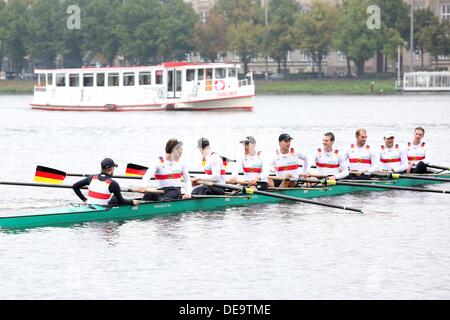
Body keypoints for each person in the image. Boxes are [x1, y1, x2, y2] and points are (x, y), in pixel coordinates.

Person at [72, 158, 139, 206]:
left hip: (89, 205)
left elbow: (75, 186)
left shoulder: (91, 177)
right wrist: (132, 202)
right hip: (102, 209)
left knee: (114, 197)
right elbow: (122, 201)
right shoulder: (113, 184)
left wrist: (84, 199)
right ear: (111, 169)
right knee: (116, 197)